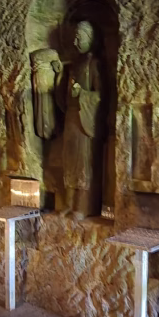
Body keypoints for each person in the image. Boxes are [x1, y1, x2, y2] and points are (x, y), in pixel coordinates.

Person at [60, 21, 104, 217]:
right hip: (71, 117)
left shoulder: (94, 64)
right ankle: (69, 203)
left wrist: (83, 94)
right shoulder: (74, 65)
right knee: (69, 160)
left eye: (80, 37)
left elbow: (100, 95)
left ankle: (82, 206)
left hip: (84, 118)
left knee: (83, 162)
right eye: (75, 38)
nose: (76, 41)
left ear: (90, 39)